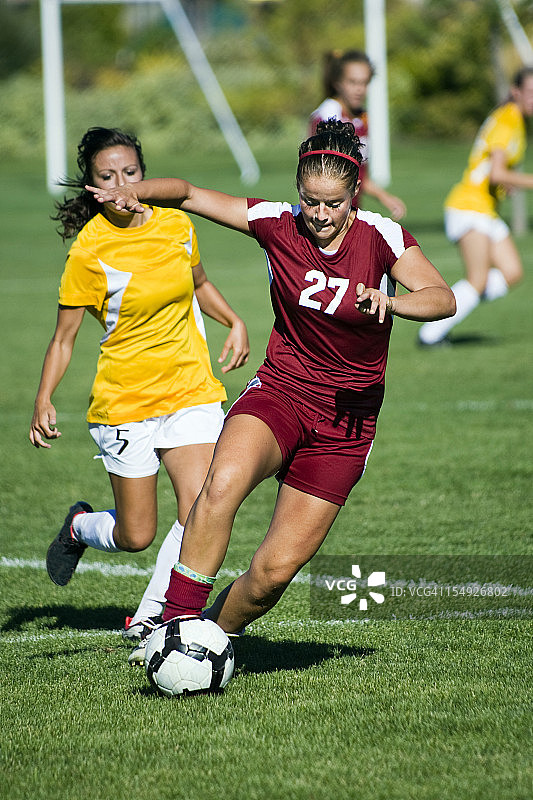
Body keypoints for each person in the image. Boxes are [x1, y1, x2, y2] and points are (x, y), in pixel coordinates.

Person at [87, 119, 455, 660]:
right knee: (221, 486)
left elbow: (442, 297)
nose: (321, 216)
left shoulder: (383, 237)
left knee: (272, 576)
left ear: (355, 195)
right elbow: (188, 193)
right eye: (310, 201)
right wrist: (131, 190)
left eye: (333, 204)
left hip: (346, 425)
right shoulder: (275, 222)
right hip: (281, 391)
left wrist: (394, 303)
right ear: (298, 193)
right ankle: (175, 626)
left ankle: (210, 636)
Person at [30, 127, 249, 641]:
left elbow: (198, 284)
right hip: (126, 401)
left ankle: (153, 618)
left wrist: (234, 321)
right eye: (107, 176)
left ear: (144, 175)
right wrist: (43, 398)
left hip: (191, 388)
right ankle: (81, 527)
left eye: (130, 172)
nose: (121, 183)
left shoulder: (175, 225)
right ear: (92, 186)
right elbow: (64, 339)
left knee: (200, 508)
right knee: (137, 534)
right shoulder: (88, 251)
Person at [418, 66, 533, 346]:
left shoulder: (516, 120)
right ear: (515, 92)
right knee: (478, 280)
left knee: (511, 272)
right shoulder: (508, 120)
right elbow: (497, 172)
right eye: (530, 92)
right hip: (469, 206)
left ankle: (455, 304)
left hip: (485, 208)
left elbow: (494, 172)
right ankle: (430, 333)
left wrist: (506, 182)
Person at [309, 49, 406, 220]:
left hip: (349, 213)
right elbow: (323, 175)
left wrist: (385, 198)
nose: (359, 89)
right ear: (337, 82)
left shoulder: (362, 118)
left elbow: (359, 174)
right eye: (353, 82)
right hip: (326, 216)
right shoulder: (328, 117)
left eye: (364, 83)